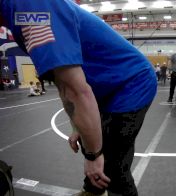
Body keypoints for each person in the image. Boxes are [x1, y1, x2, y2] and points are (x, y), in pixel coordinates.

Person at [0, 1, 157, 196]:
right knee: (93, 142)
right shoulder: (15, 14)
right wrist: (77, 128)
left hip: (131, 83)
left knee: (113, 166)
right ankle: (92, 191)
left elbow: (74, 90)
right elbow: (61, 81)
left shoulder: (32, 6)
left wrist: (93, 156)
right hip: (104, 85)